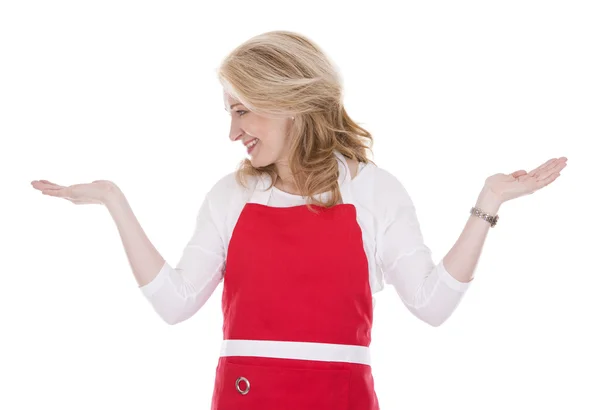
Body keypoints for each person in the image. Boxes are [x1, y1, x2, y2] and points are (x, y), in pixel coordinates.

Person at [31, 30, 567, 410]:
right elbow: (175, 304)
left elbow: (432, 305)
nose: (233, 132)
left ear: (287, 101)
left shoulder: (374, 191)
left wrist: (489, 200)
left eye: (242, 109)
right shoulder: (230, 196)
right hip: (243, 400)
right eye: (229, 112)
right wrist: (113, 200)